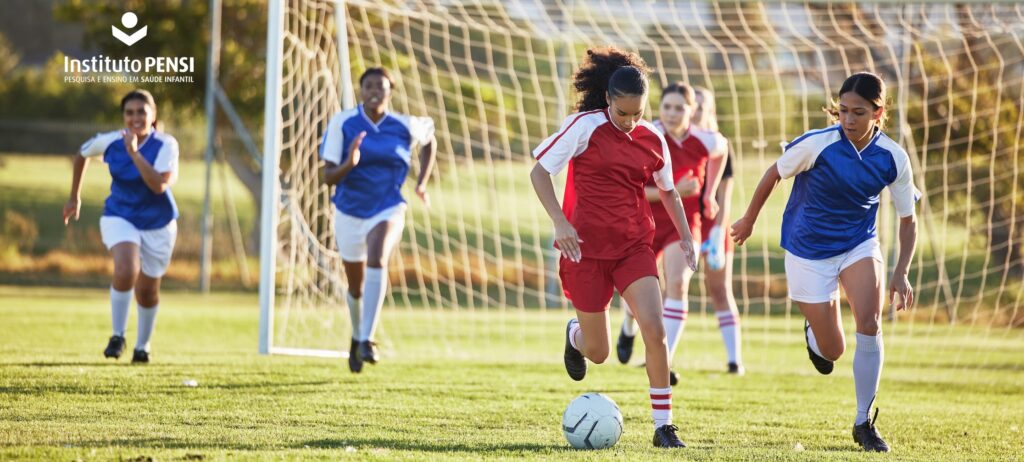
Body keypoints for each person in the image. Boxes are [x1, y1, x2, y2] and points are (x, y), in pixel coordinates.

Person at [731, 72, 919, 452]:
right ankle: (815, 332)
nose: (848, 119)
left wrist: (900, 273)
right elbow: (773, 173)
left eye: (859, 112)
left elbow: (908, 220)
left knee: (870, 321)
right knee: (833, 350)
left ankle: (863, 421)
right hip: (807, 250)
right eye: (843, 111)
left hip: (858, 245)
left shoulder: (893, 158)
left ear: (878, 113)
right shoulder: (818, 144)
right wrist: (749, 219)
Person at [530, 46, 697, 448]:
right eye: (623, 113)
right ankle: (575, 337)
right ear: (608, 99)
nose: (630, 121)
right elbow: (539, 173)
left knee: (654, 330)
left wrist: (687, 237)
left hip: (633, 247)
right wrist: (560, 220)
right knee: (600, 352)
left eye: (638, 113)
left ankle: (664, 426)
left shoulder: (653, 138)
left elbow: (669, 192)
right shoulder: (582, 127)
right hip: (583, 250)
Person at [320, 67, 437, 374]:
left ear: (390, 92)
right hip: (348, 211)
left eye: (381, 86)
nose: (374, 90)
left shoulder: (403, 124)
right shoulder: (342, 123)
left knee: (378, 257)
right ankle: (357, 337)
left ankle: (368, 340)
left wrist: (421, 182)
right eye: (368, 85)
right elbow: (327, 176)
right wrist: (350, 163)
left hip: (388, 207)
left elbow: (430, 139)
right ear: (361, 90)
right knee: (355, 287)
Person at [613, 83, 727, 386]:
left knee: (677, 283)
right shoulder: (646, 135)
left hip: (684, 224)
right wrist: (674, 190)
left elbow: (722, 150)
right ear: (659, 108)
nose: (673, 113)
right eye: (668, 107)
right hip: (645, 221)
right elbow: (631, 189)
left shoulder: (705, 139)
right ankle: (628, 325)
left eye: (680, 108)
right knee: (637, 293)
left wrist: (709, 194)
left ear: (692, 111)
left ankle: (666, 357)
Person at [64, 89, 180, 364]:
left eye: (142, 111)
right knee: (127, 268)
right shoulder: (110, 141)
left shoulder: (166, 145)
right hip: (120, 215)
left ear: (153, 116)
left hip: (158, 223)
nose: (136, 117)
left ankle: (143, 347)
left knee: (148, 290)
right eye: (130, 112)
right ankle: (117, 335)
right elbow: (82, 155)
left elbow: (158, 185)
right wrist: (74, 197)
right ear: (124, 116)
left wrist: (134, 153)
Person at [693, 86, 744, 375]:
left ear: (709, 110)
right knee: (668, 288)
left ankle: (735, 360)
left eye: (702, 106)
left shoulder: (720, 145)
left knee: (719, 289)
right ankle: (662, 353)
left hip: (714, 227)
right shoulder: (677, 142)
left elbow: (725, 197)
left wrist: (716, 233)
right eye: (694, 105)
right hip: (683, 225)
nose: (697, 110)